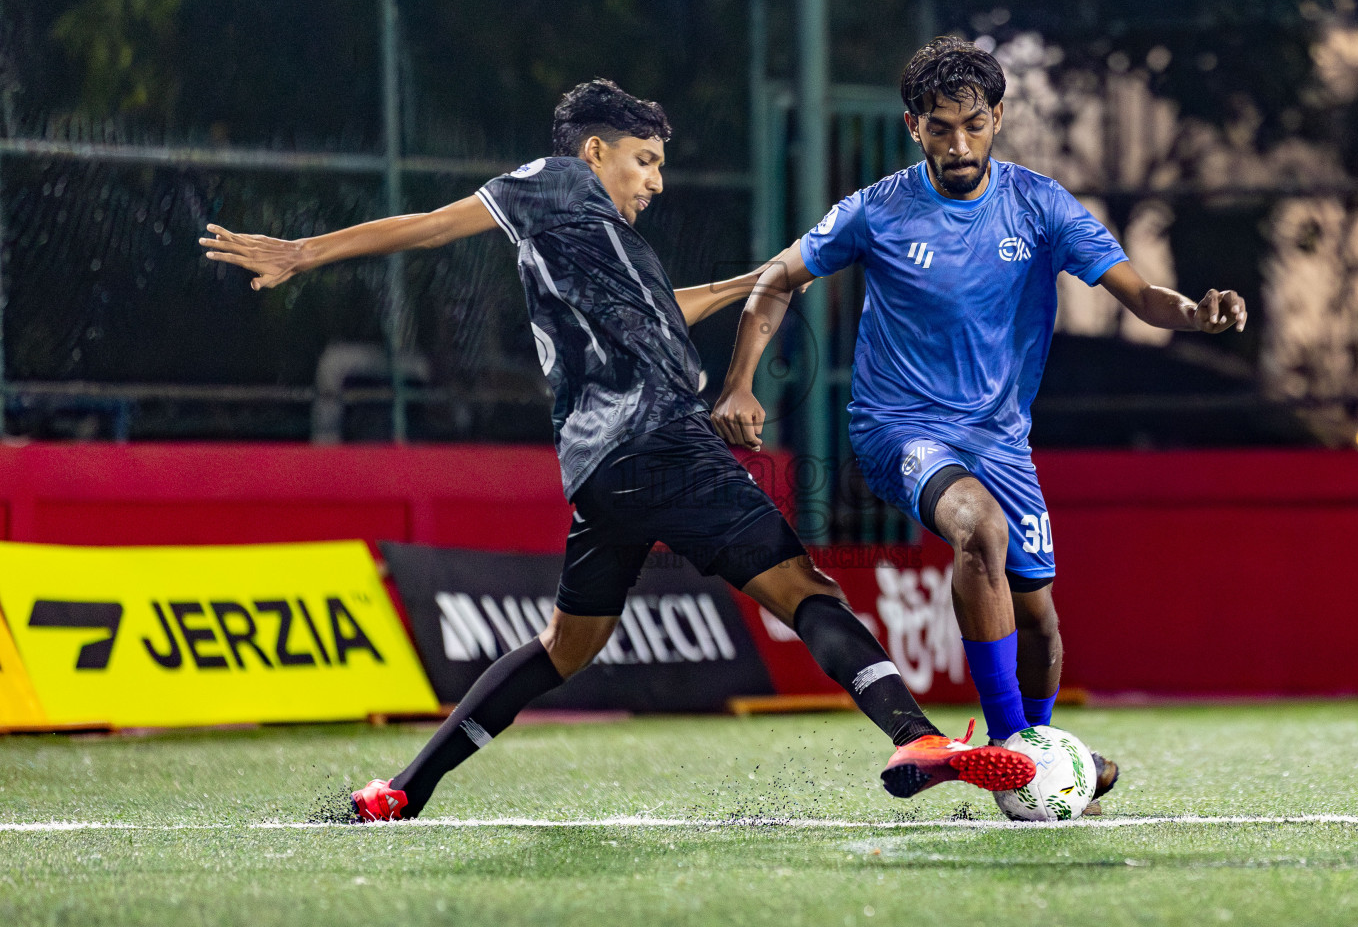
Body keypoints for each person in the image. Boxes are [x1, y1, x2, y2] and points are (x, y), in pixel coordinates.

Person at [200, 78, 1035, 821]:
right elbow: (429, 228)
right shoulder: (555, 181)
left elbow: (668, 308)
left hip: (604, 473)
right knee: (803, 588)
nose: (656, 180)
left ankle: (401, 792)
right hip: (660, 441)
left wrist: (773, 274)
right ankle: (916, 737)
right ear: (595, 151)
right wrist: (304, 251)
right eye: (644, 160)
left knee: (565, 645)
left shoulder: (600, 242)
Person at [710, 38, 1250, 811]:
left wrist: (1194, 314)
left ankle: (1043, 753)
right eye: (939, 127)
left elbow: (1138, 293)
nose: (957, 144)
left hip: (1000, 439)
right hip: (898, 426)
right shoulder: (877, 209)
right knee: (980, 531)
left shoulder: (1041, 205)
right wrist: (740, 384)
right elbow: (777, 277)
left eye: (972, 124)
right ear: (912, 126)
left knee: (1042, 625)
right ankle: (1015, 754)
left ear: (997, 117)